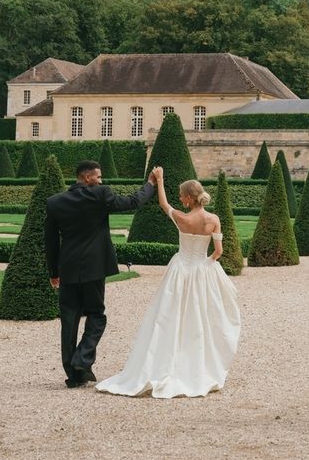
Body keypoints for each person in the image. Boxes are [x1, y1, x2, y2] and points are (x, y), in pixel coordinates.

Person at [96, 167, 241, 398]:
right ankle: (198, 364)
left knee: (169, 316)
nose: (180, 198)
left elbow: (164, 205)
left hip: (180, 269)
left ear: (189, 198)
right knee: (200, 317)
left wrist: (160, 180)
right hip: (201, 270)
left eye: (182, 195)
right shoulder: (213, 219)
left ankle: (166, 359)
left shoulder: (183, 219)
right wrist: (205, 265)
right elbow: (219, 252)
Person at [44, 159, 157, 388]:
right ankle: (82, 359)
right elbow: (132, 202)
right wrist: (151, 184)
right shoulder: (100, 194)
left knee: (69, 319)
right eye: (99, 176)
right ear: (87, 178)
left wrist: (54, 271)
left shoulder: (54, 202)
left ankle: (73, 375)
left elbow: (51, 241)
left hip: (68, 267)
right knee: (96, 314)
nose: (101, 180)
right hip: (94, 268)